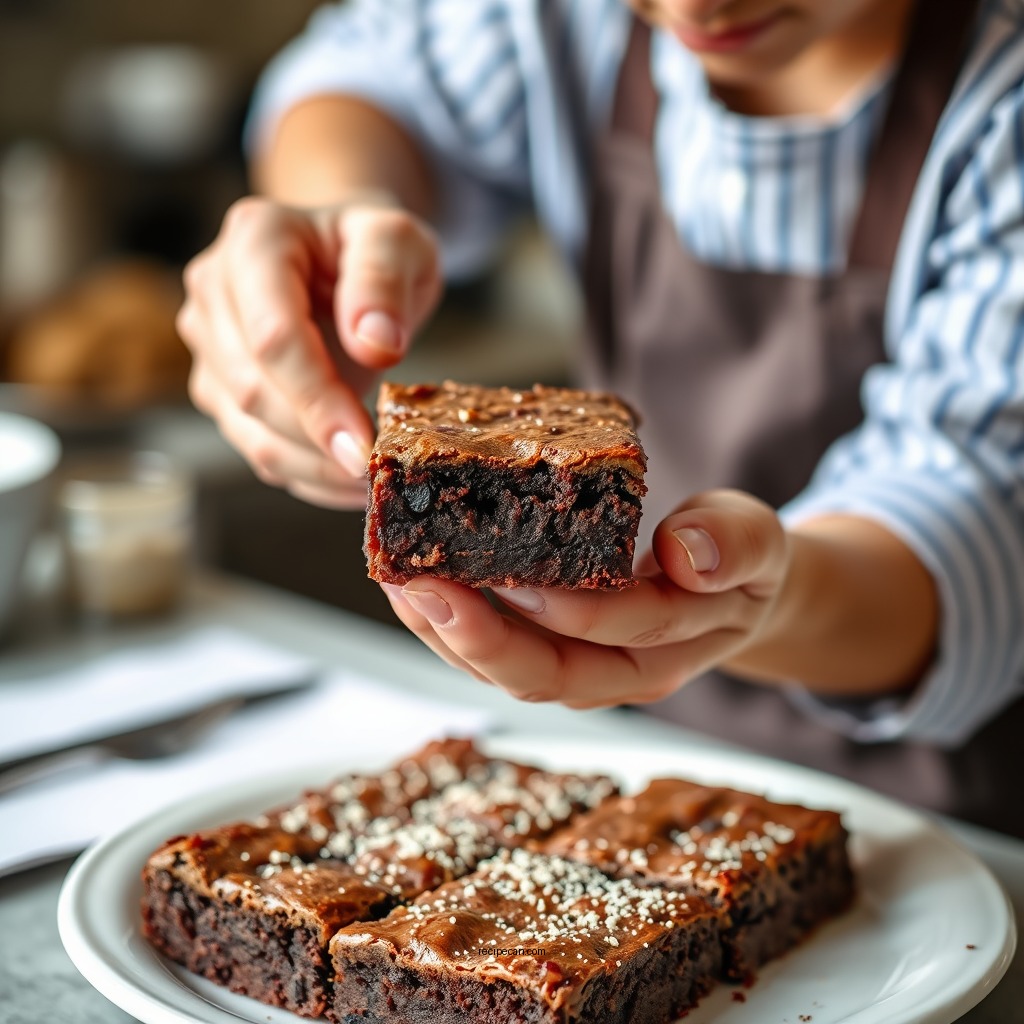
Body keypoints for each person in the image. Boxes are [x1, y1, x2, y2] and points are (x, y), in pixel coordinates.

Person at [177, 0, 1024, 834]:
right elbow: (370, 75)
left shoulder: (1001, 106)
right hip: (644, 770)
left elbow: (979, 518)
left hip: (942, 823)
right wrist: (341, 220)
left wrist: (772, 599)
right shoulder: (566, 18)